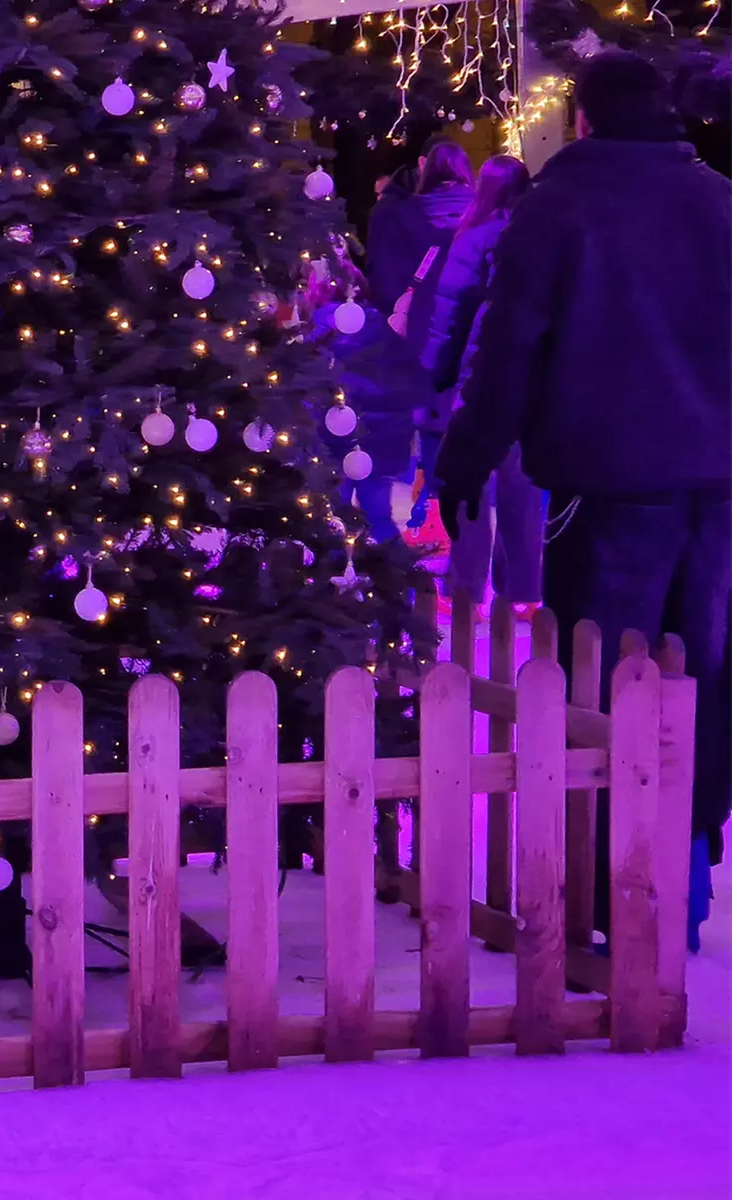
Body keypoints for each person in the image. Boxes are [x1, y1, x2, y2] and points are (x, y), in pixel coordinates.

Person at [435, 50, 732, 948]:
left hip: (604, 480)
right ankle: (681, 868)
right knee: (701, 674)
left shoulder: (558, 208)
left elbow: (508, 352)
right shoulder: (720, 200)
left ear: (587, 120)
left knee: (600, 687)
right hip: (717, 483)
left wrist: (465, 462)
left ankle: (614, 891)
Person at [415, 154, 538, 613]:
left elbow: (450, 314)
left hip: (478, 375)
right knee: (520, 483)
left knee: (469, 480)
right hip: (529, 374)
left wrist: (434, 373)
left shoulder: (474, 238)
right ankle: (524, 590)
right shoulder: (540, 235)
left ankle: (466, 589)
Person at [298, 253, 428, 541]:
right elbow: (412, 383)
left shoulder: (316, 337)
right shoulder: (383, 329)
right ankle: (394, 577)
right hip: (383, 444)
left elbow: (306, 392)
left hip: (333, 445)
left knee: (332, 516)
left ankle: (333, 575)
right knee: (379, 513)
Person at [365, 139, 474, 314]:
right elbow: (384, 269)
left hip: (417, 312)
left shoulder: (407, 208)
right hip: (419, 309)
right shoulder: (397, 209)